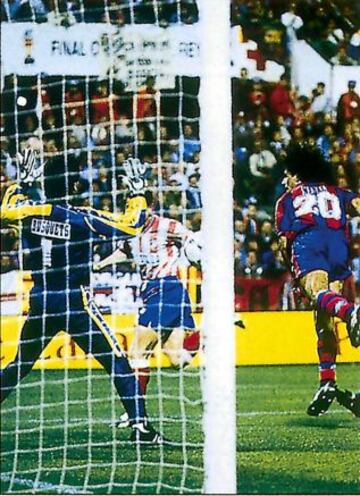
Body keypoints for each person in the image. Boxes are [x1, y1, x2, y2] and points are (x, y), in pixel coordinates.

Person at [0, 149, 165, 444]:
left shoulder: (29, 212)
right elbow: (133, 224)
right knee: (116, 360)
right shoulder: (83, 218)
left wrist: (21, 183)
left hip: (40, 300)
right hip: (75, 303)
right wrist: (137, 192)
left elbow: (5, 210)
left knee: (19, 365)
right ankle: (140, 426)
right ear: (74, 185)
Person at [93, 191, 201, 428]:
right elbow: (125, 251)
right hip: (155, 291)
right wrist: (101, 263)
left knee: (137, 352)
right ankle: (212, 332)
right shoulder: (130, 229)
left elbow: (195, 241)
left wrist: (199, 254)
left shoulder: (168, 225)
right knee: (176, 359)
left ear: (149, 206)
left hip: (166, 288)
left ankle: (135, 414)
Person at [275, 143, 360, 418]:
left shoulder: (288, 198)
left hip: (308, 241)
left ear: (297, 174)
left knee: (317, 294)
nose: (284, 180)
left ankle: (352, 312)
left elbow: (282, 242)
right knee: (324, 314)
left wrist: (297, 276)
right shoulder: (336, 192)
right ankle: (327, 382)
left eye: (287, 174)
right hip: (338, 241)